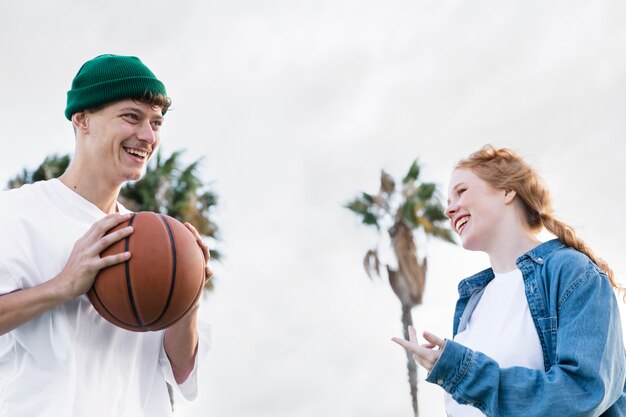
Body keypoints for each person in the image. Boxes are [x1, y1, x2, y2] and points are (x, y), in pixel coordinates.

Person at [0, 54, 211, 417]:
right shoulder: (16, 214)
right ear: (82, 119)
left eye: (156, 123)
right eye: (132, 116)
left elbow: (181, 372)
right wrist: (62, 286)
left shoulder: (156, 242)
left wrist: (188, 295)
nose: (147, 135)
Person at [392, 145, 626, 416]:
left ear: (507, 191)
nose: (449, 211)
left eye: (461, 191)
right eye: (447, 203)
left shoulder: (571, 272)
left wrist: (462, 371)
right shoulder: (472, 303)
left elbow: (583, 393)